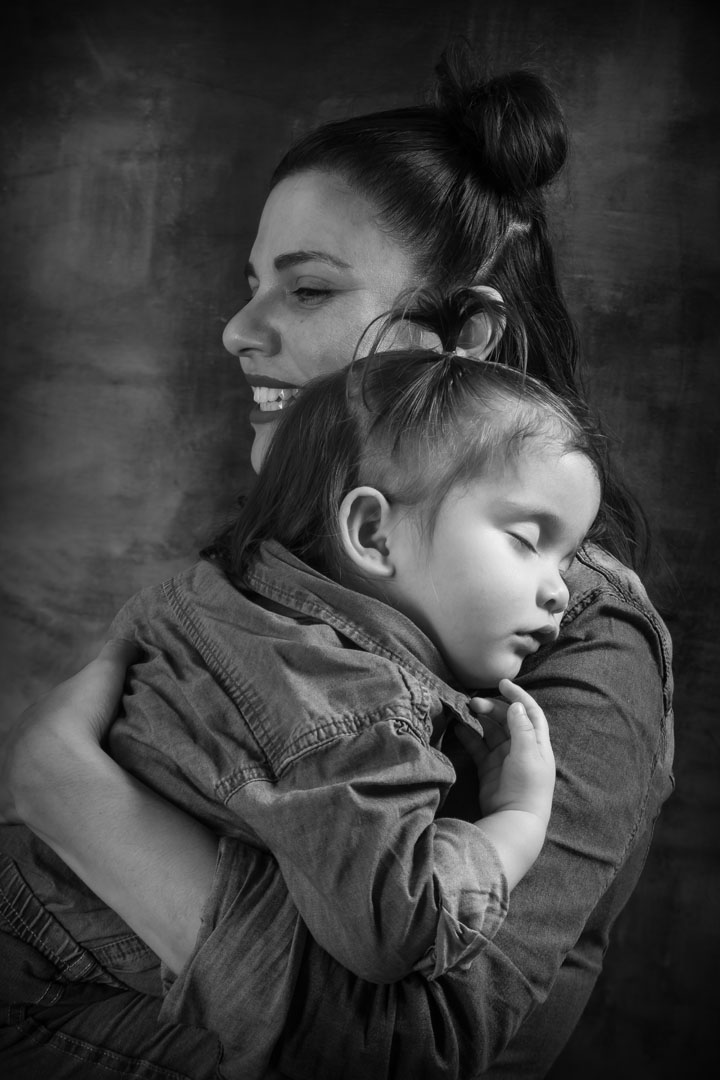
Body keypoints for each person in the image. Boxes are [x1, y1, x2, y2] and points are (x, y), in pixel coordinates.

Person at [0, 43, 674, 1080]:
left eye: (308, 290)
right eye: (252, 286)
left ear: (466, 334)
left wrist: (72, 794)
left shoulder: (583, 641)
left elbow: (407, 1054)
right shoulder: (297, 565)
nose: (237, 330)